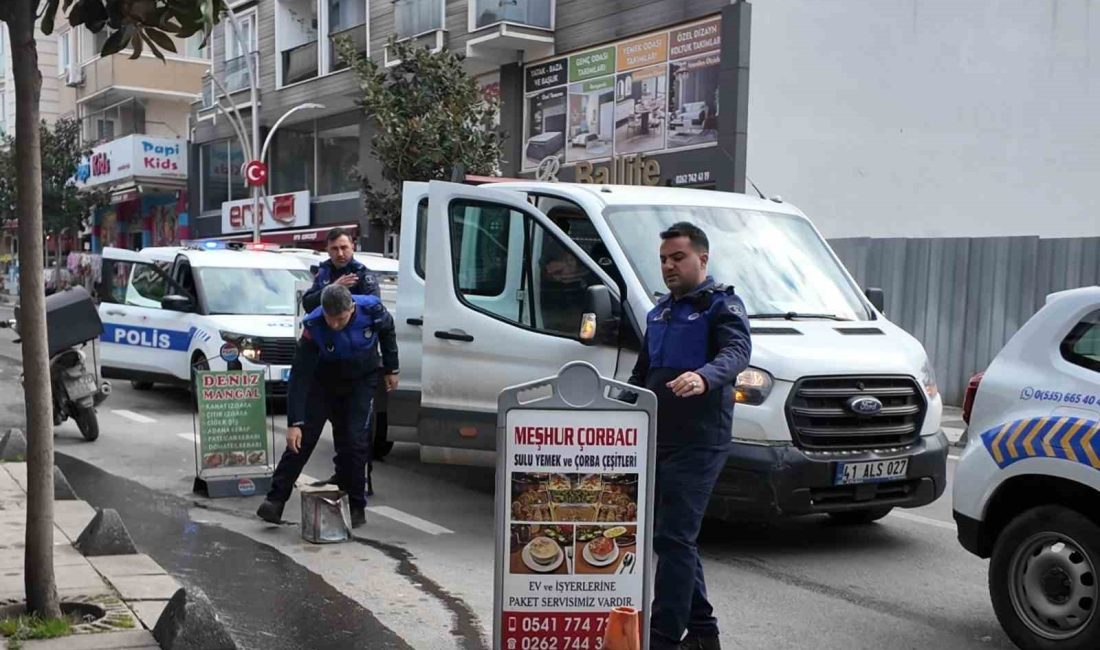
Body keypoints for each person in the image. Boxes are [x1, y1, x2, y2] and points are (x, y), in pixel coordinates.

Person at [628, 222, 752, 650]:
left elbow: (736, 354)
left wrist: (704, 377)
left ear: (702, 259)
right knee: (673, 536)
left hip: (700, 440)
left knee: (673, 537)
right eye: (663, 259)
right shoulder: (658, 312)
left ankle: (663, 637)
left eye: (677, 257)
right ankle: (703, 634)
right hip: (658, 437)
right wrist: (617, 410)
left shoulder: (723, 306)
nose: (668, 266)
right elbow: (642, 374)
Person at [257, 284, 399, 528]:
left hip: (361, 380)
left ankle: (355, 506)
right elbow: (300, 376)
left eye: (340, 319)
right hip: (322, 382)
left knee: (354, 442)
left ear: (351, 309)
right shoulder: (313, 326)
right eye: (329, 319)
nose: (334, 325)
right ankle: (275, 500)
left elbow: (388, 332)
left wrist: (391, 367)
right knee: (301, 440)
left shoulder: (372, 310)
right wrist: (294, 422)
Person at [301, 227, 389, 492]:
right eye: (334, 249)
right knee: (340, 426)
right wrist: (333, 288)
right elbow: (309, 303)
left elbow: (374, 306)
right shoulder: (325, 272)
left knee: (359, 430)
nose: (340, 253)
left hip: (360, 360)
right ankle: (342, 475)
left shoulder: (363, 275)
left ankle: (362, 483)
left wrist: (342, 297)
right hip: (330, 360)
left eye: (344, 247)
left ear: (353, 247)